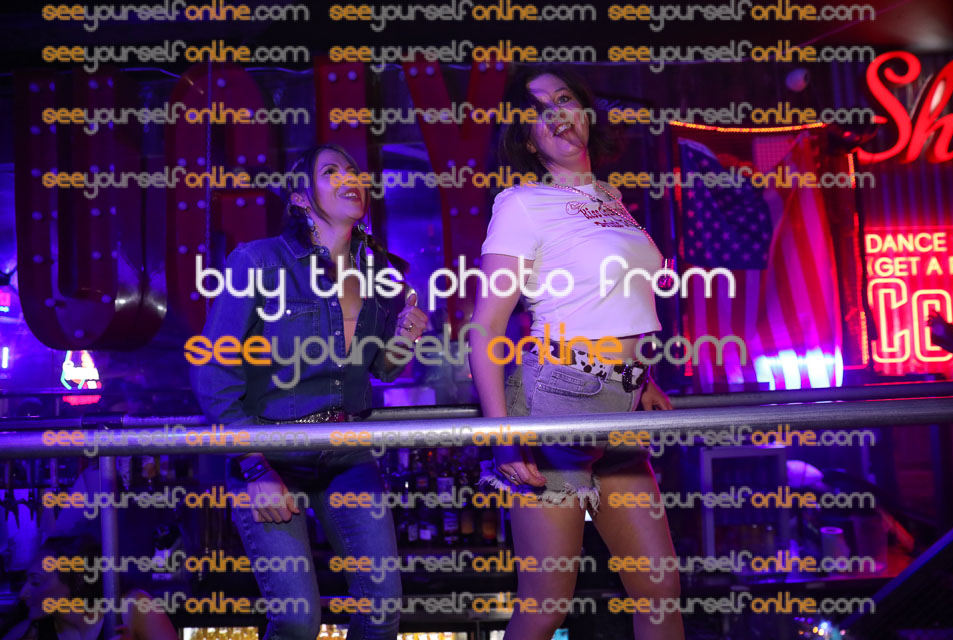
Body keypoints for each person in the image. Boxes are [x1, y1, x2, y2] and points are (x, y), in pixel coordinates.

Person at [468, 67, 684, 639]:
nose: (557, 113)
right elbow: (486, 326)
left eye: (564, 98)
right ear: (527, 138)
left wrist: (641, 377)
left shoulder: (610, 198)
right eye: (539, 110)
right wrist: (502, 435)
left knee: (659, 590)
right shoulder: (522, 203)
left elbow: (611, 300)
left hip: (621, 403)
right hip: (557, 399)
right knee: (546, 606)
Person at [190, 144, 427, 640]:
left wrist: (406, 335)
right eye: (331, 171)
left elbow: (381, 368)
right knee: (298, 621)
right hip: (270, 454)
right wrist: (255, 467)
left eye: (354, 171)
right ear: (300, 198)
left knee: (383, 611)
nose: (350, 178)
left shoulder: (377, 273)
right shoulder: (258, 260)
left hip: (347, 453)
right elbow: (213, 370)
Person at [0, 536, 177, 640]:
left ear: (74, 581)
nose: (23, 593)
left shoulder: (135, 607)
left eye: (36, 582)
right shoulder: (33, 630)